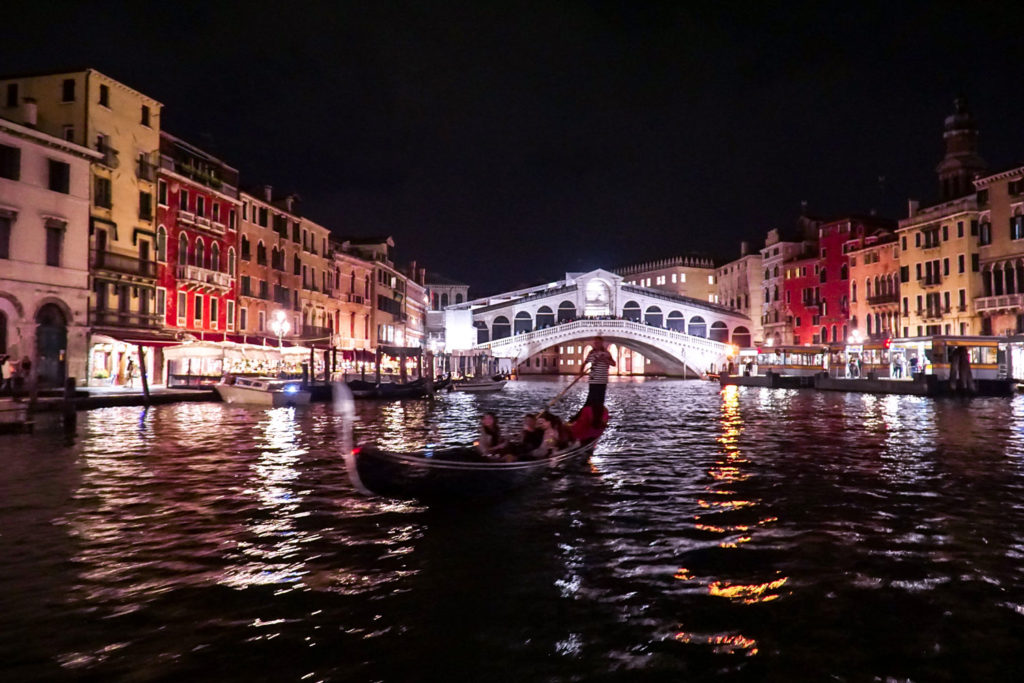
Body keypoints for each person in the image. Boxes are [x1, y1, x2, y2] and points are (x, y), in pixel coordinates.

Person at [581, 336, 615, 426]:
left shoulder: (606, 353)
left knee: (600, 401)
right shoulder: (591, 353)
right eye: (595, 343)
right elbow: (585, 362)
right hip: (593, 380)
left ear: (601, 343)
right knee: (591, 400)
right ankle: (586, 418)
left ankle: (598, 420)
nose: (596, 344)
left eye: (598, 343)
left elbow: (613, 363)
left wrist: (605, 360)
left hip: (602, 380)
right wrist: (580, 372)